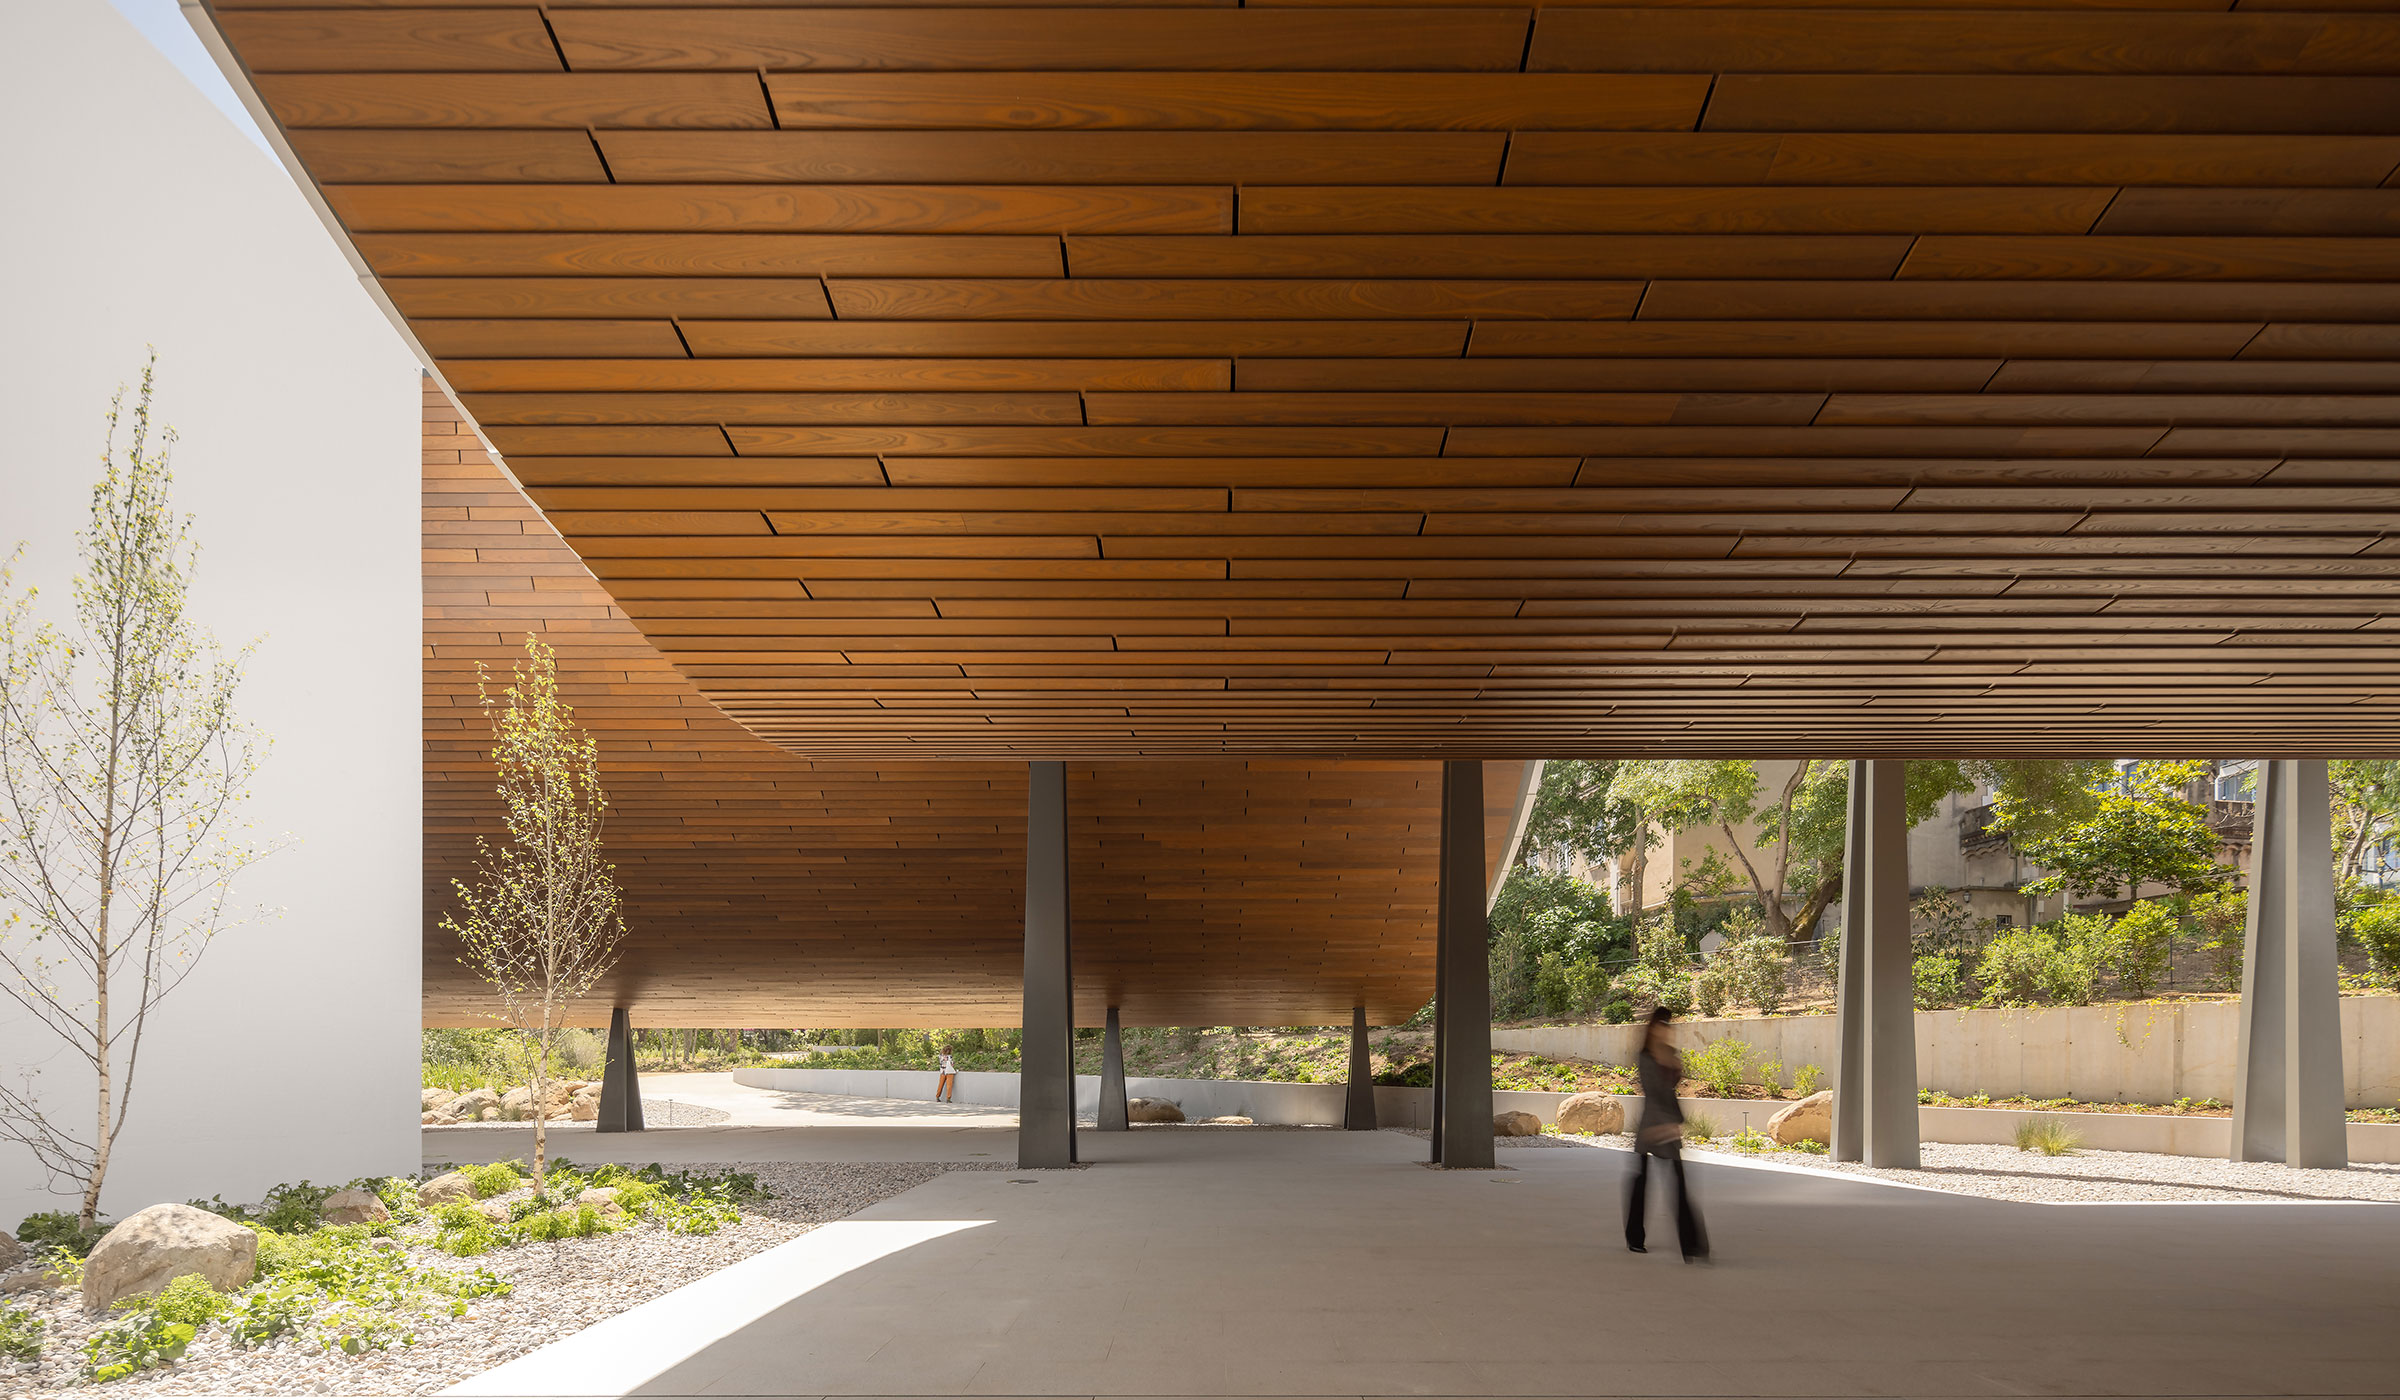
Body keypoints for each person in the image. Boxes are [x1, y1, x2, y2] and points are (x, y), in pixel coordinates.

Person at [1625, 1007, 1708, 1262]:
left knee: (1678, 1185)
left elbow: (1671, 1089)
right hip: (1653, 1123)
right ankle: (1635, 1238)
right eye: (1663, 1024)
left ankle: (1692, 1245)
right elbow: (1654, 1091)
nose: (1667, 1029)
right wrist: (1667, 1124)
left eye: (1668, 1024)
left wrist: (1675, 1122)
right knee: (1641, 1182)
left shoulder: (1671, 1053)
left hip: (1668, 1124)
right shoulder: (1646, 1056)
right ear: (1653, 1027)